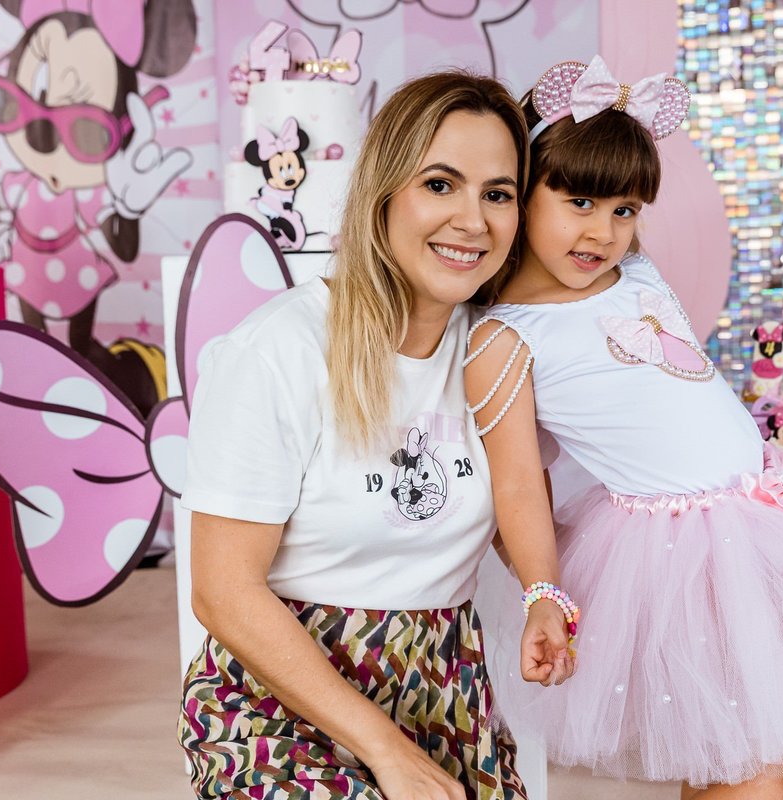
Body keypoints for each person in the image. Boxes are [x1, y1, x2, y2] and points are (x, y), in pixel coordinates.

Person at [465, 56, 783, 800]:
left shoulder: (633, 273)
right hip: (677, 557)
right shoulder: (505, 337)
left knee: (778, 758)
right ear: (520, 192)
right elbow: (518, 481)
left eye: (624, 210)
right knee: (747, 766)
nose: (603, 231)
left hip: (768, 517)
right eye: (578, 201)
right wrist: (543, 591)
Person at [178, 71, 530, 800]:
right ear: (383, 194)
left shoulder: (497, 353)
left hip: (444, 696)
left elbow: (522, 512)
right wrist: (386, 753)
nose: (473, 220)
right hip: (280, 701)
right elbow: (222, 591)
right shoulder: (280, 349)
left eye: (498, 194)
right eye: (440, 185)